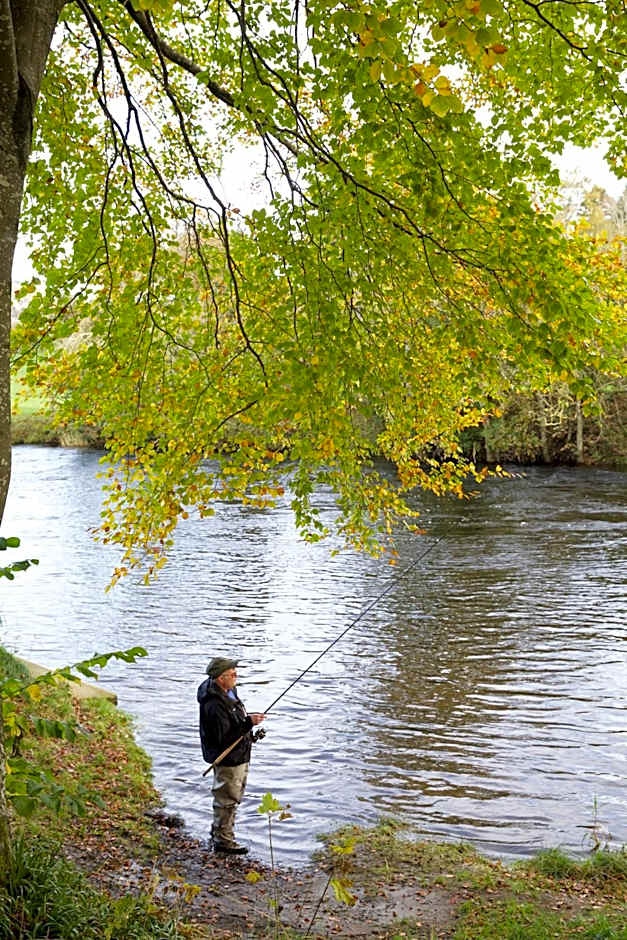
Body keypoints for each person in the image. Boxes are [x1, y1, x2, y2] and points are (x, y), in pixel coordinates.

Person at [197, 657, 265, 855]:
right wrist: (248, 723)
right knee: (227, 798)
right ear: (220, 678)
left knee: (234, 796)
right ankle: (223, 840)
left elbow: (234, 720)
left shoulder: (228, 691)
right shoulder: (214, 705)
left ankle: (220, 831)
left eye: (236, 673)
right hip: (228, 758)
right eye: (233, 674)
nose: (237, 677)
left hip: (239, 754)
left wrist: (248, 721)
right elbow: (223, 738)